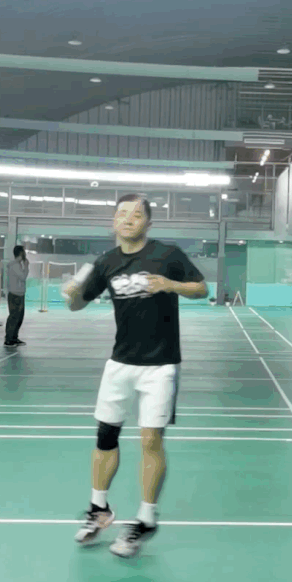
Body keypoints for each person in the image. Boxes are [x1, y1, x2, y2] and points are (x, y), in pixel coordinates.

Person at [65, 194, 208, 559]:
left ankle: (145, 519)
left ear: (148, 222)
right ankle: (99, 509)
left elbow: (201, 288)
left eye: (136, 214)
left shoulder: (167, 254)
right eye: (122, 214)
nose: (128, 219)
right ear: (114, 221)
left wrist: (170, 285)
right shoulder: (106, 262)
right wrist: (72, 293)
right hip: (120, 362)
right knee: (105, 436)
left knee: (150, 440)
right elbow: (77, 305)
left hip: (160, 364)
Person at [3, 244, 29, 348]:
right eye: (24, 251)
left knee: (19, 318)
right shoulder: (15, 265)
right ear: (21, 253)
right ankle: (8, 340)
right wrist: (26, 267)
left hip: (20, 294)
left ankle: (14, 338)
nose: (25, 253)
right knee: (14, 317)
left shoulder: (18, 265)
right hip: (15, 295)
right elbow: (23, 277)